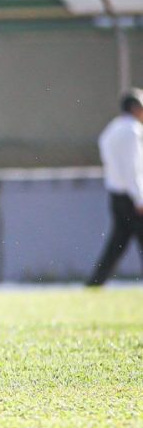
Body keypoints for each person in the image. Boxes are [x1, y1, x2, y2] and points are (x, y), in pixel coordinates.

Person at [86, 89, 143, 286]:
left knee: (117, 243)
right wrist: (139, 198)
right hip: (131, 196)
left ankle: (95, 283)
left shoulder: (112, 128)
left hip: (116, 194)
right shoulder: (132, 131)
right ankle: (95, 283)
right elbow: (133, 168)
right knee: (120, 242)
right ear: (135, 108)